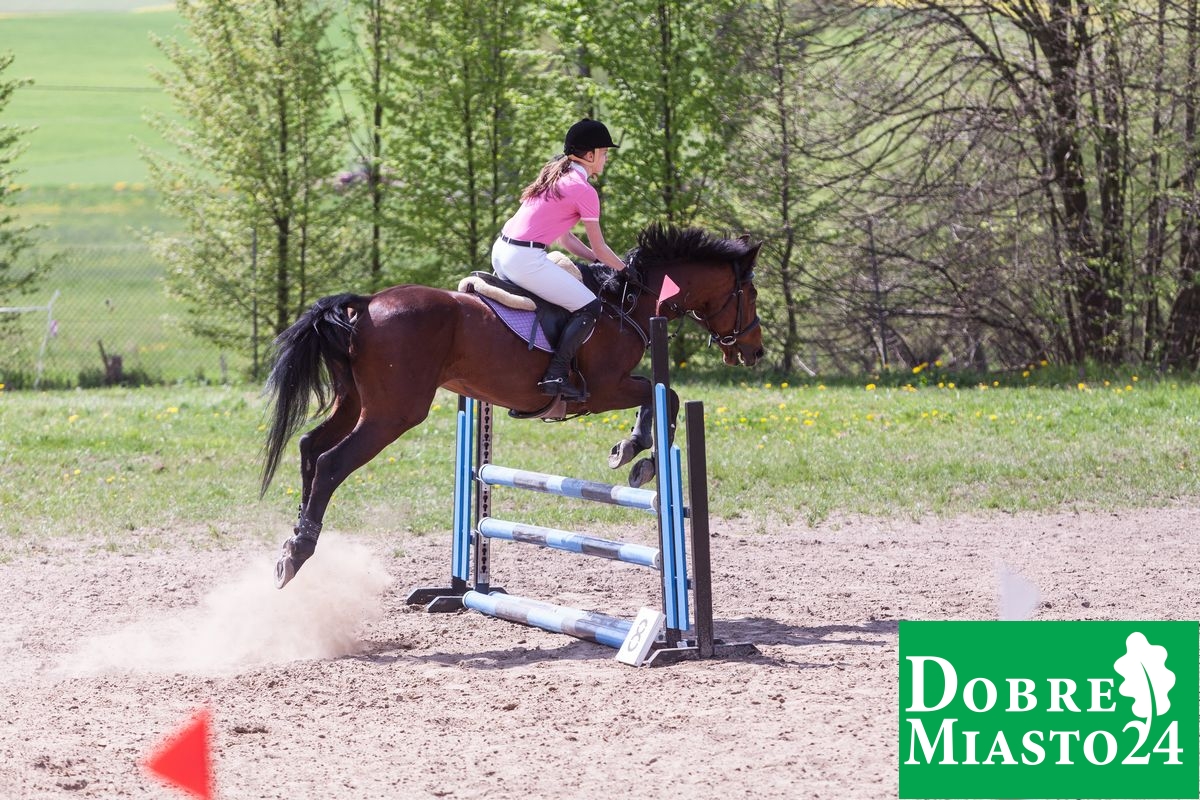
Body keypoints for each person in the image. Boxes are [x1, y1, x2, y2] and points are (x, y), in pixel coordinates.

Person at [491, 118, 627, 402]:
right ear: (589, 155)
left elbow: (567, 241)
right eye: (604, 152)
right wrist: (626, 270)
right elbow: (600, 248)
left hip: (502, 252)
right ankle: (556, 374)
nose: (606, 158)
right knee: (590, 306)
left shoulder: (558, 177)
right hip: (524, 260)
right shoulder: (584, 190)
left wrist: (598, 261)